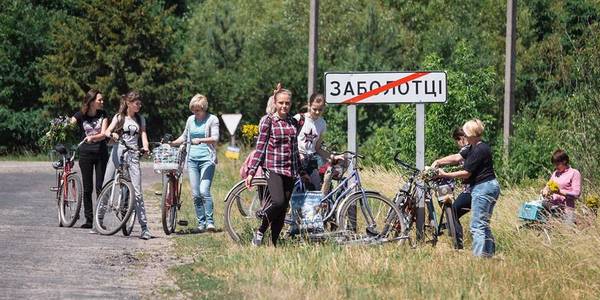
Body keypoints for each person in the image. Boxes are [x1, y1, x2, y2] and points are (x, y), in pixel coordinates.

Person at [245, 84, 301, 246]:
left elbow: (295, 149)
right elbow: (260, 148)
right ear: (275, 103)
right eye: (281, 103)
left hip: (290, 170)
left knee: (283, 209)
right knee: (278, 202)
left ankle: (274, 243)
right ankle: (260, 231)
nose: (284, 106)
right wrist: (251, 171)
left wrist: (301, 170)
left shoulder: (292, 122)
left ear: (290, 104)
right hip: (273, 167)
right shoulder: (268, 121)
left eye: (287, 103)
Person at [437, 119, 500, 257]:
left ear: (471, 134)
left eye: (465, 132)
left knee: (477, 225)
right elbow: (456, 157)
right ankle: (488, 256)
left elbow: (466, 173)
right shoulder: (473, 147)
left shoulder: (479, 149)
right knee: (483, 224)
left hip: (483, 187)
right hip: (487, 186)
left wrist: (446, 174)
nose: (464, 135)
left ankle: (478, 259)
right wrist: (438, 162)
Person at [103, 91, 152, 240]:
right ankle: (98, 221)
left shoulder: (140, 119)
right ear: (129, 104)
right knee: (107, 184)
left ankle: (144, 228)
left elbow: (143, 135)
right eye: (136, 103)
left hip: (133, 155)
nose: (139, 105)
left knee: (137, 191)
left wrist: (145, 147)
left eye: (140, 103)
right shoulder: (119, 117)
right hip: (118, 152)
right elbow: (107, 131)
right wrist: (113, 134)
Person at [170, 94, 220, 232]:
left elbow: (215, 138)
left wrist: (201, 140)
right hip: (192, 160)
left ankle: (210, 223)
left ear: (204, 108)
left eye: (198, 110)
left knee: (204, 191)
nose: (195, 112)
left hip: (207, 160)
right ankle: (201, 223)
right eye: (193, 109)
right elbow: (185, 137)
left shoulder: (212, 119)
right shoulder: (190, 120)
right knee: (196, 193)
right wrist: (172, 143)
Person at [70, 89, 109, 229]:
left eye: (102, 100)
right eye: (100, 100)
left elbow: (104, 134)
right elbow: (68, 125)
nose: (102, 102)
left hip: (101, 154)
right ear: (92, 102)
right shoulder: (81, 115)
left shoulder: (103, 114)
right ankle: (89, 220)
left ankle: (99, 220)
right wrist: (57, 129)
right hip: (85, 154)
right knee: (87, 188)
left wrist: (93, 137)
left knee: (100, 187)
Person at [431, 127, 471, 249]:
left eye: (457, 141)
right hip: (472, 190)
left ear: (461, 138)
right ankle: (452, 233)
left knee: (453, 212)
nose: (458, 144)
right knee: (454, 214)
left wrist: (438, 162)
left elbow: (456, 158)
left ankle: (458, 245)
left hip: (472, 190)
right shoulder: (474, 147)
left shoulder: (468, 148)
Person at [294, 93, 344, 190]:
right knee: (297, 189)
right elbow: (288, 140)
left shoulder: (322, 123)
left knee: (316, 188)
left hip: (311, 160)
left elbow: (317, 148)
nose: (317, 112)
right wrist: (298, 153)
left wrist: (333, 157)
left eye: (320, 110)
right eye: (314, 109)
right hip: (297, 159)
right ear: (309, 105)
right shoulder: (298, 119)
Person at [541, 149, 581, 224]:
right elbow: (548, 185)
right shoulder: (555, 173)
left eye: (557, 164)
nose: (556, 167)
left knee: (567, 233)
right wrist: (545, 190)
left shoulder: (574, 173)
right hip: (552, 209)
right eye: (554, 164)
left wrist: (559, 192)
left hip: (567, 210)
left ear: (564, 161)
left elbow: (576, 194)